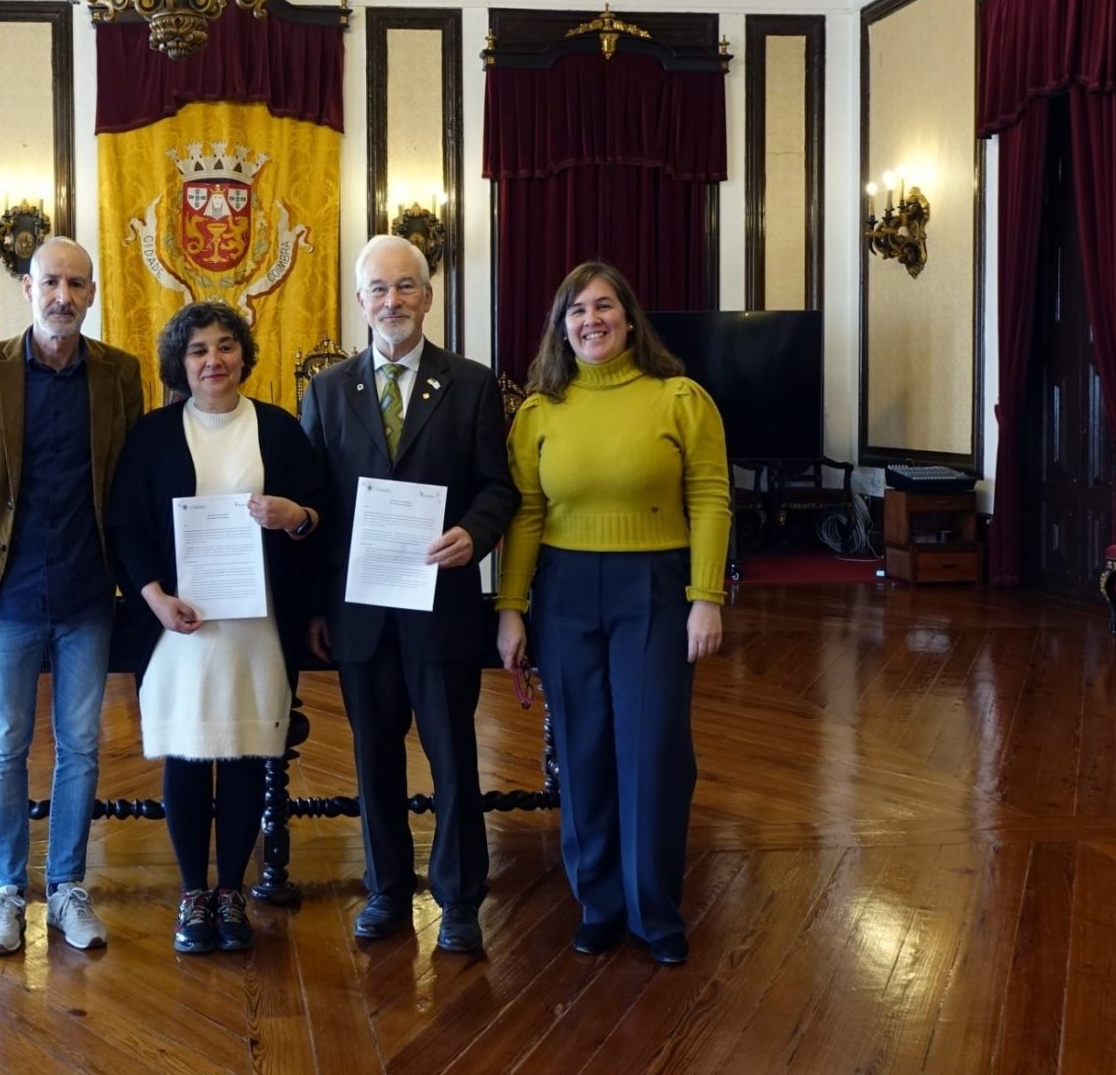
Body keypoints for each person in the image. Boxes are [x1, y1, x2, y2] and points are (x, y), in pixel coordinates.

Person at [494, 260, 730, 965]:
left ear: (629, 317)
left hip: (655, 587)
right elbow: (527, 516)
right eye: (576, 311)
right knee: (584, 749)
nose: (590, 320)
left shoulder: (680, 398)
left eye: (603, 307)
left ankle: (654, 911)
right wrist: (511, 609)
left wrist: (706, 596)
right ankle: (598, 903)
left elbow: (712, 499)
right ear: (560, 328)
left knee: (654, 750)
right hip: (563, 591)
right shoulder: (539, 412)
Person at [300, 234, 520, 953]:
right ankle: (388, 889)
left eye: (406, 287)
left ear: (428, 296)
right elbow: (312, 504)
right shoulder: (328, 392)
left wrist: (474, 534)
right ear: (360, 302)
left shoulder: (472, 384)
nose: (391, 301)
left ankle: (459, 900)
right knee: (375, 760)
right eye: (378, 290)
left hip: (442, 606)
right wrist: (312, 608)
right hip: (359, 615)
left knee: (454, 757)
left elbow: (498, 487)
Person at [0, 236, 144, 956]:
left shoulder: (119, 374)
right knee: (5, 749)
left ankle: (67, 889)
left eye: (77, 285)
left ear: (92, 293)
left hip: (88, 595)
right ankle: (6, 894)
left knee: (82, 747)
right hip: (8, 598)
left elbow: (127, 478)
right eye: (51, 282)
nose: (64, 297)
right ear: (27, 288)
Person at [107, 302, 326, 954]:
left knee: (243, 756)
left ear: (244, 356)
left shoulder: (281, 431)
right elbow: (124, 525)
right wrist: (153, 598)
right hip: (182, 626)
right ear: (180, 362)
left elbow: (322, 519)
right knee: (187, 751)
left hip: (258, 627)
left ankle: (231, 889)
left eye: (226, 347)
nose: (213, 361)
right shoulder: (151, 435)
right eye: (199, 349)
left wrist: (295, 516)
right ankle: (191, 892)